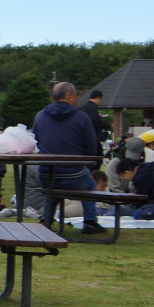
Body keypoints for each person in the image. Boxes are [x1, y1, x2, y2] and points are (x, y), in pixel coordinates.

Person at [32, 81, 104, 233]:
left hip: (45, 173)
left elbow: (37, 140)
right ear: (69, 96)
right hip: (73, 173)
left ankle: (46, 219)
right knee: (90, 184)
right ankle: (90, 221)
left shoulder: (40, 116)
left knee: (53, 185)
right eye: (77, 95)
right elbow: (91, 148)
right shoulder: (81, 117)